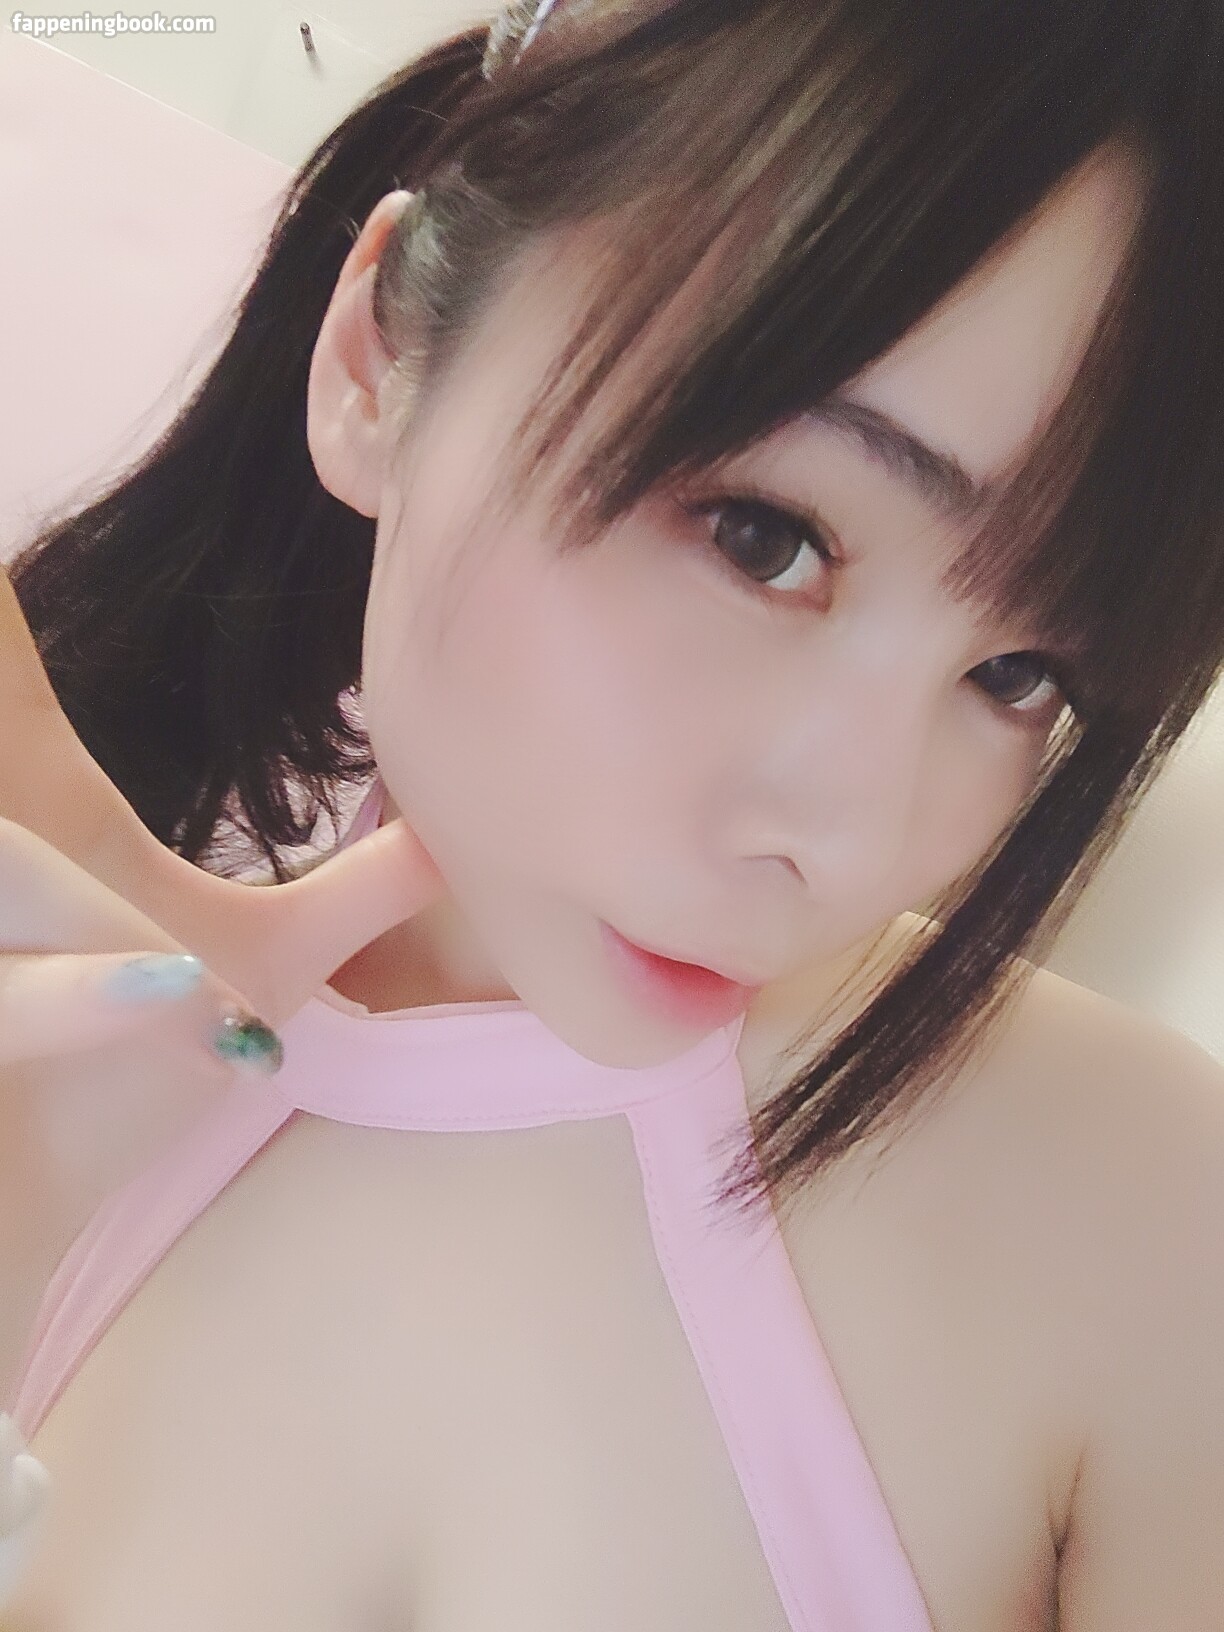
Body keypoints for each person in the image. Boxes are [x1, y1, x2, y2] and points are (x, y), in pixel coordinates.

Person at [0, 0, 1222, 1623]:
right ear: (378, 359)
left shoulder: (1151, 1228)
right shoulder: (66, 1049)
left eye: (1022, 675)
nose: (855, 846)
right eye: (766, 538)